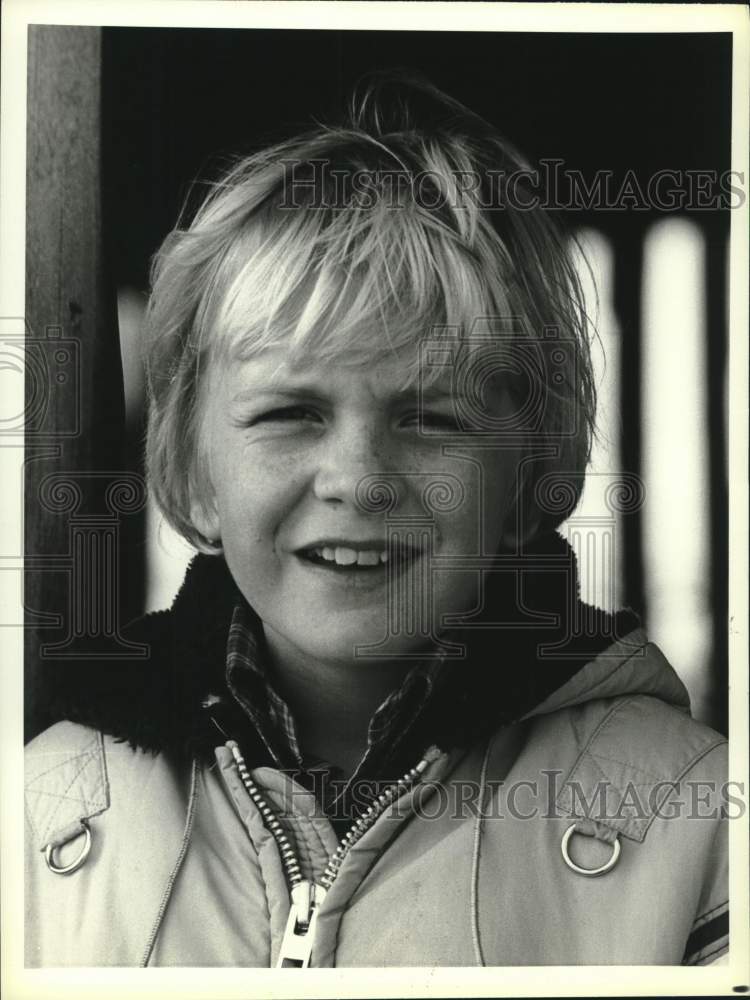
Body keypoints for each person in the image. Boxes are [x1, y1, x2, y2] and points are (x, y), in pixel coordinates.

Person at [25, 73, 728, 968]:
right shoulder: (42, 815)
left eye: (430, 418)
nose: (358, 481)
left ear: (527, 477)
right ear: (195, 474)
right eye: (290, 413)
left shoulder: (697, 821)